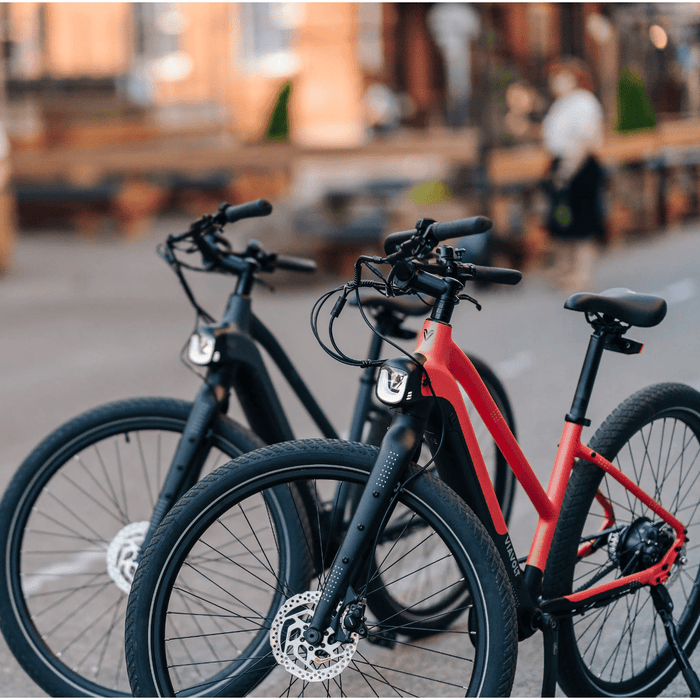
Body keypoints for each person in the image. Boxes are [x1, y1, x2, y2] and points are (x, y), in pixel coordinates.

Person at [541, 58, 606, 292]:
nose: (555, 82)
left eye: (561, 76)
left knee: (582, 222)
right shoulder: (562, 104)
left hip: (578, 165)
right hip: (562, 164)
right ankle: (566, 269)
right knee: (562, 221)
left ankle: (582, 273)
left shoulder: (583, 102)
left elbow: (588, 139)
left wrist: (568, 169)